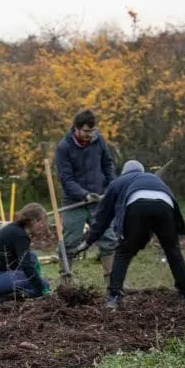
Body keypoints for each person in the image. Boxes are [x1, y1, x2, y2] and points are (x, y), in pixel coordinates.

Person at [76, 160, 185, 309]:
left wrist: (88, 242)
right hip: (165, 205)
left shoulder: (118, 182)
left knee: (123, 252)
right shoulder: (153, 178)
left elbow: (103, 217)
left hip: (137, 204)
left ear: (124, 172)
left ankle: (113, 297)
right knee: (172, 250)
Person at [54, 109, 118, 285]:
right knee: (69, 242)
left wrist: (113, 186)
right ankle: (66, 283)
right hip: (74, 202)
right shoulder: (64, 147)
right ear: (76, 128)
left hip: (99, 200)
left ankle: (112, 283)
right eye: (86, 131)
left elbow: (107, 164)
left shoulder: (99, 141)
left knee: (108, 239)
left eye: (93, 130)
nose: (90, 135)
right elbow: (66, 179)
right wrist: (84, 194)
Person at [0, 203, 52, 304]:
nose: (42, 226)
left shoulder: (16, 230)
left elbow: (26, 261)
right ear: (33, 221)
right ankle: (6, 298)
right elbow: (26, 267)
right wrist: (41, 289)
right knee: (44, 284)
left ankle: (9, 295)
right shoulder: (20, 235)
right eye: (41, 222)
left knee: (32, 256)